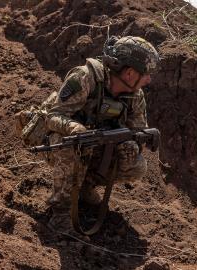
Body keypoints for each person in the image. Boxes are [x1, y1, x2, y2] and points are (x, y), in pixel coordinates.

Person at [35, 36, 159, 236]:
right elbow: (54, 116)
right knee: (71, 146)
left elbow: (138, 130)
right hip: (59, 143)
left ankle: (84, 187)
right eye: (147, 74)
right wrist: (75, 128)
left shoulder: (136, 96)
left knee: (136, 164)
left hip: (99, 147)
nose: (149, 79)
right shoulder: (84, 78)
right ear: (129, 73)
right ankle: (60, 214)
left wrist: (132, 146)